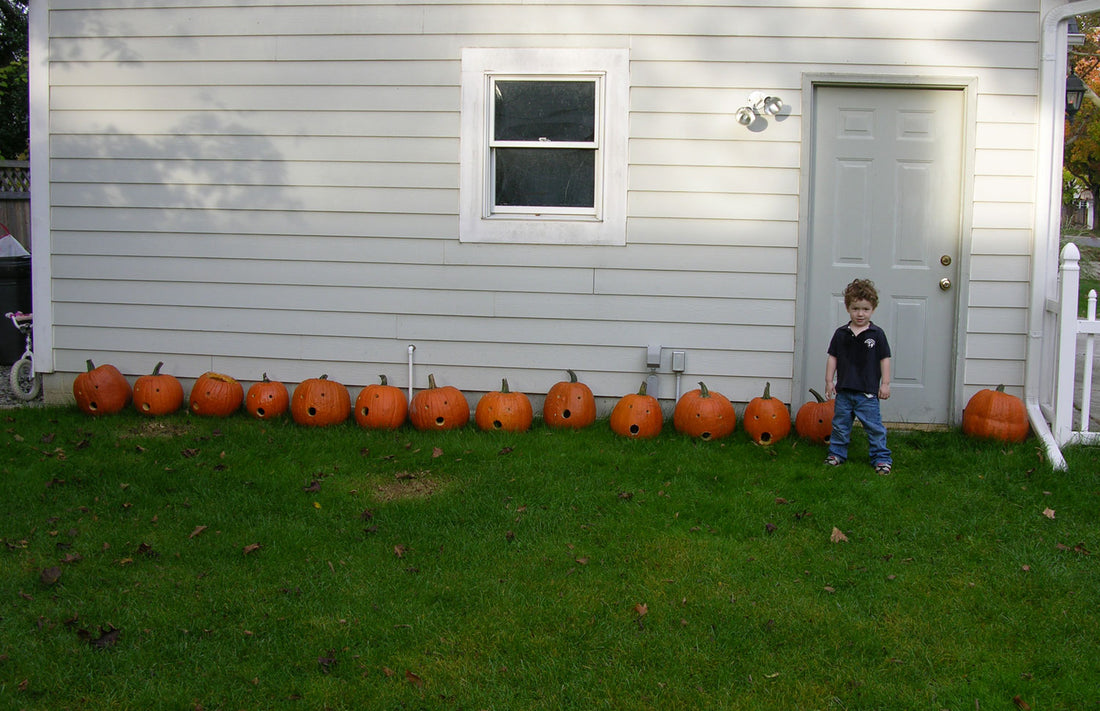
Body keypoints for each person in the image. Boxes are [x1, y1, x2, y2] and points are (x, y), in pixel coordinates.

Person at [824, 279, 892, 474]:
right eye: (855, 308)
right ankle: (836, 454)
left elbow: (884, 359)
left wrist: (885, 384)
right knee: (840, 426)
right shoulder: (841, 334)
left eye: (865, 309)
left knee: (874, 428)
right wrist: (829, 381)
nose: (860, 314)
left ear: (873, 309)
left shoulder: (877, 334)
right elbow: (832, 358)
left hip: (867, 393)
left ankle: (881, 459)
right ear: (848, 308)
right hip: (844, 391)